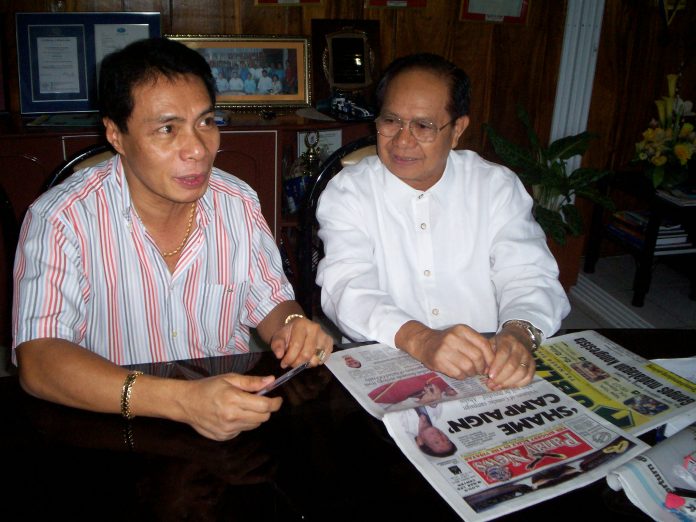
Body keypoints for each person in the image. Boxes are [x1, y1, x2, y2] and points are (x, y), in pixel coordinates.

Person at [12, 37, 333, 441]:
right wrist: (182, 401)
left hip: (227, 413)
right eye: (167, 128)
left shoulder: (236, 201)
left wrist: (292, 325)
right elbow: (39, 361)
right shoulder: (61, 218)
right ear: (115, 133)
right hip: (115, 422)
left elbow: (270, 300)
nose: (198, 149)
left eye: (206, 121)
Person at [316, 53, 570, 390]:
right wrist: (421, 339)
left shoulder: (494, 187)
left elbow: (529, 274)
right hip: (386, 358)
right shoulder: (349, 192)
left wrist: (518, 334)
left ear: (457, 130)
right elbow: (345, 286)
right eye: (391, 121)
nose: (402, 141)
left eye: (423, 126)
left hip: (486, 367)